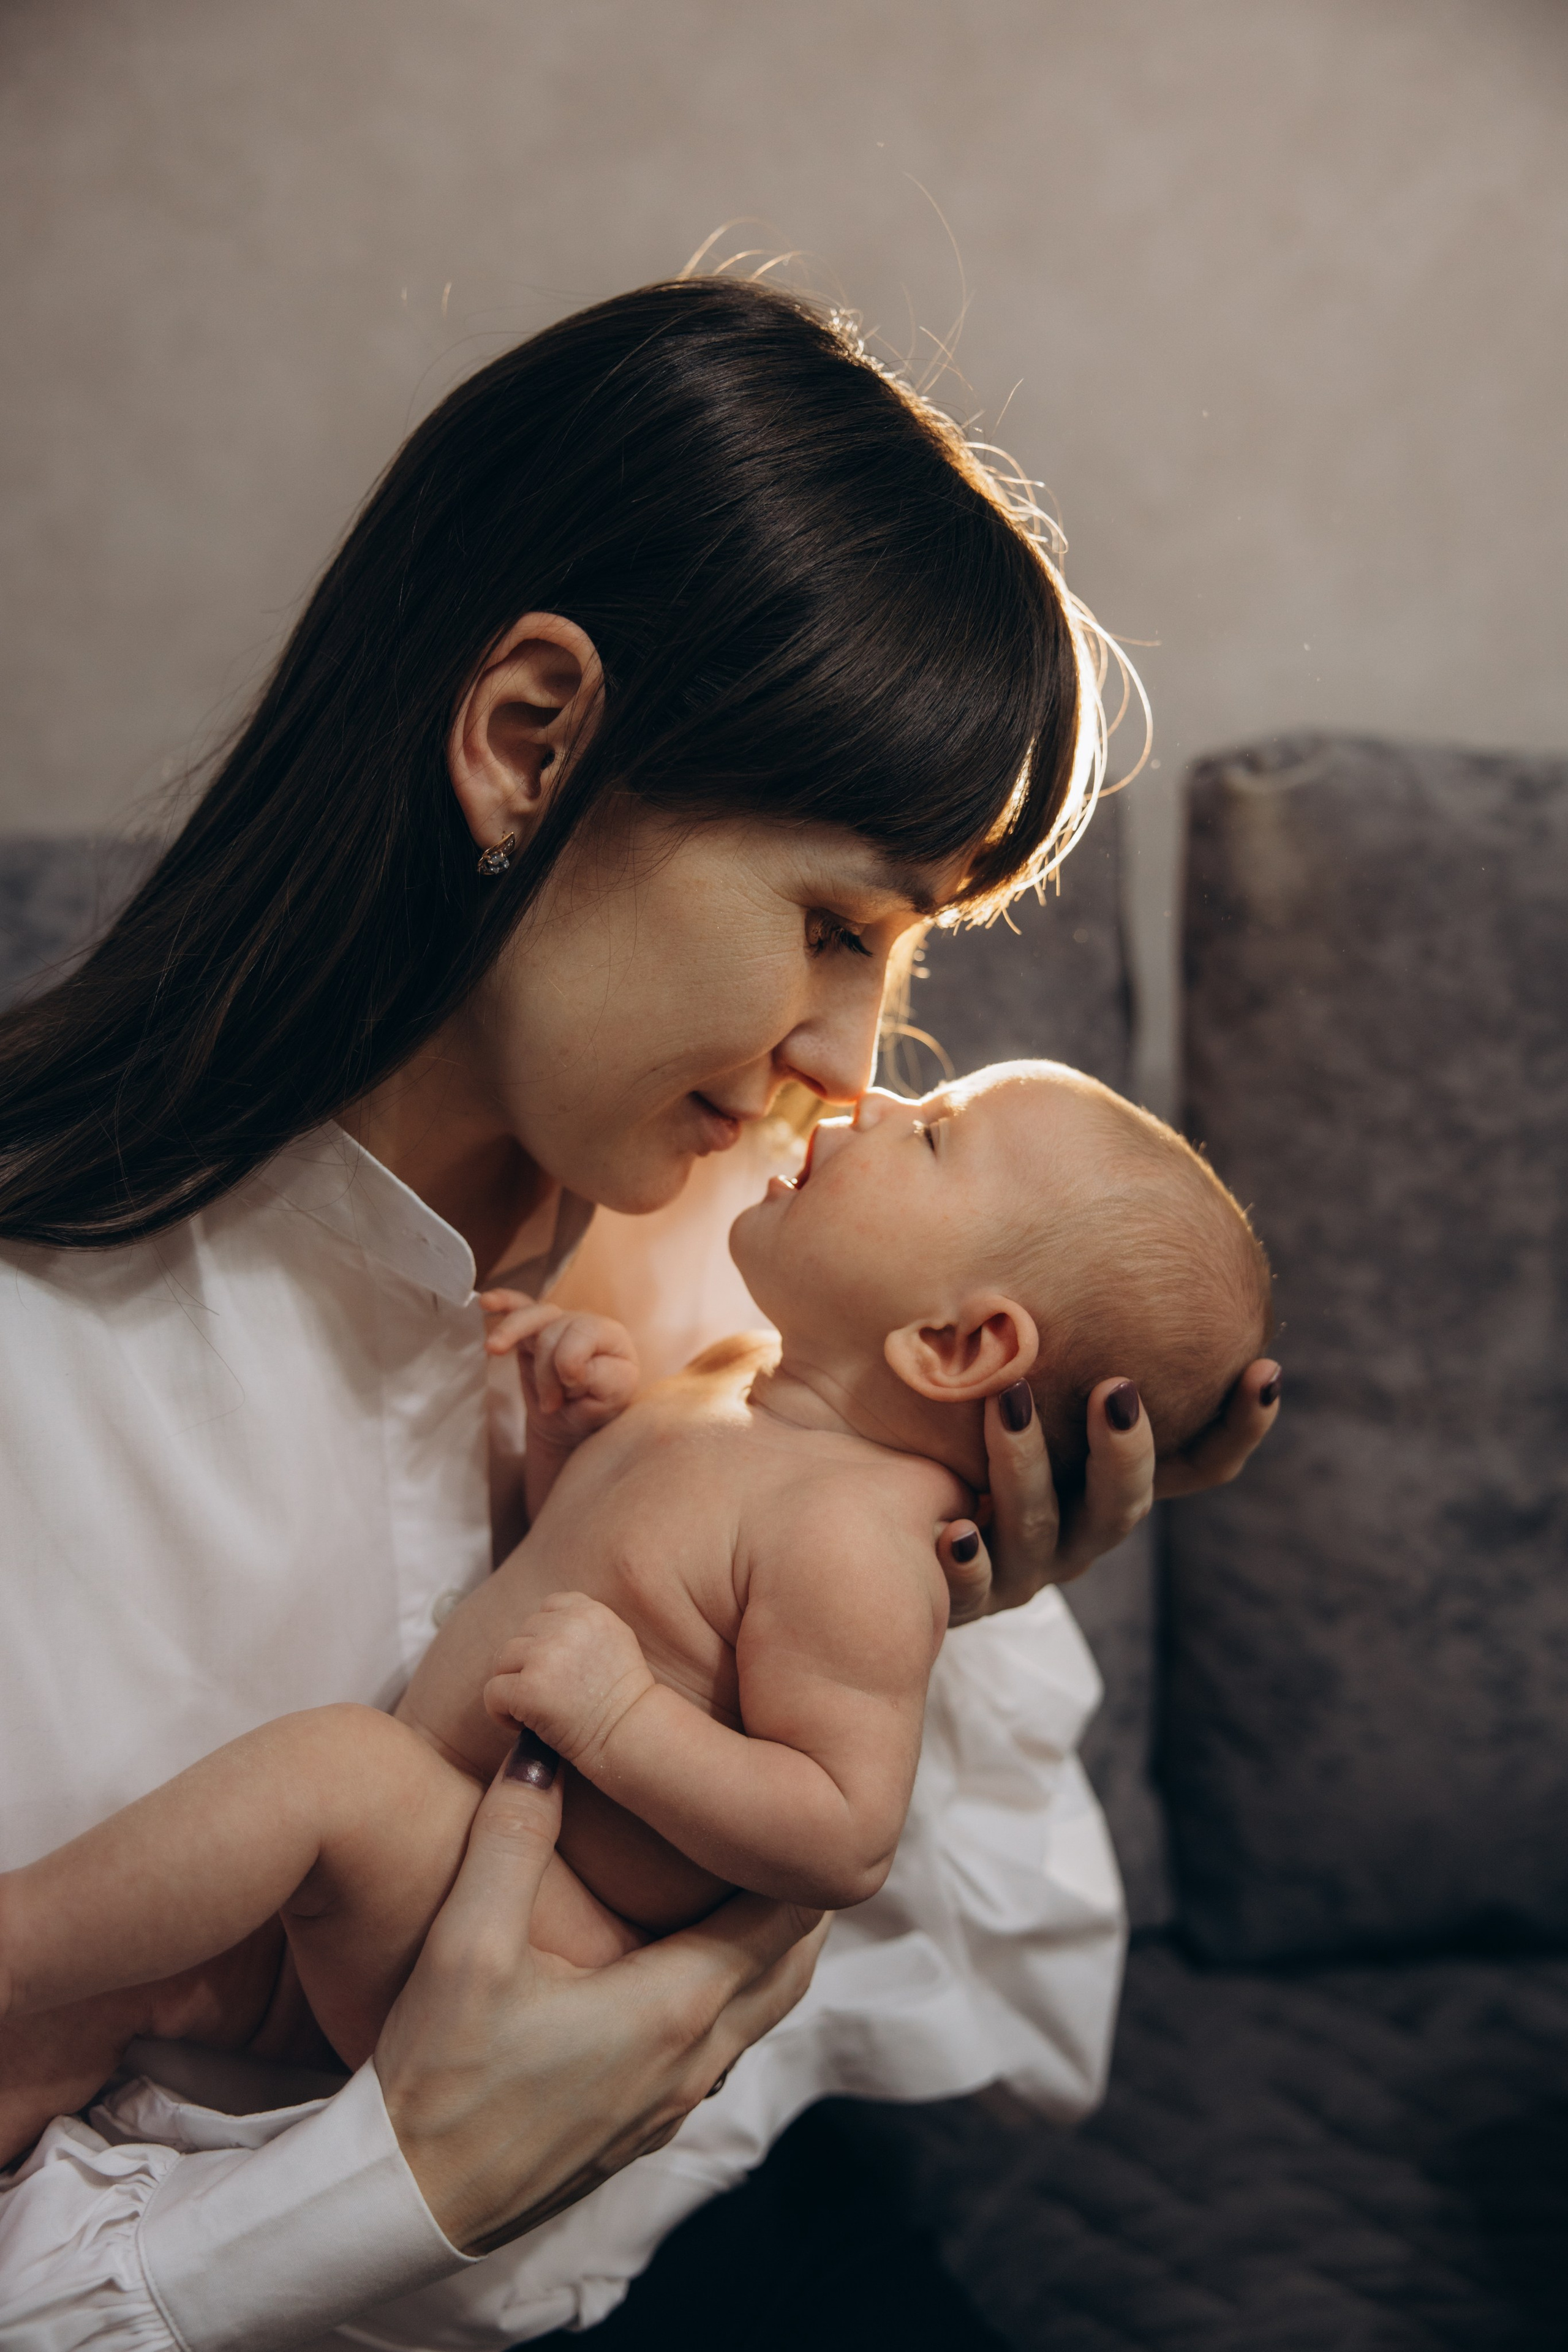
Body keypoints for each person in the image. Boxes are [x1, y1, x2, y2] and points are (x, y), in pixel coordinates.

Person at [0, 277, 1280, 2348]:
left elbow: (964, 2020)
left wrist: (940, 1613)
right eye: (836, 923)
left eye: (905, 954)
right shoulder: (53, 1377)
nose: (857, 1071)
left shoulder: (741, 1290)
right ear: (527, 741)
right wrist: (398, 2177)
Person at [0, 1056, 1273, 2160]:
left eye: (932, 1130)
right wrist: (574, 1438)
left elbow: (841, 1834)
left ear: (952, 1348)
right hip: (433, 1876)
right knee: (165, 1972)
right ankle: (96, 2028)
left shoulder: (858, 1544)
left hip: (521, 1950)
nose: (868, 1100)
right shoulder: (735, 1384)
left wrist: (615, 1721)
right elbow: (597, 1573)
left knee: (332, 1772)